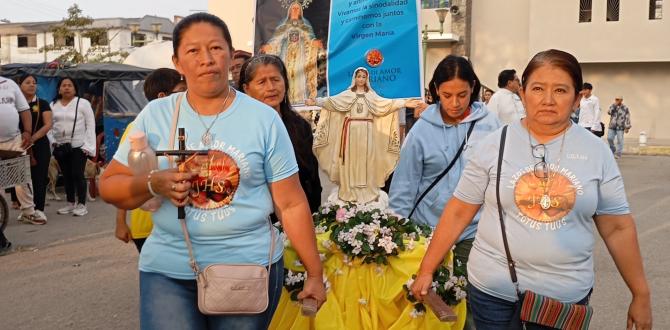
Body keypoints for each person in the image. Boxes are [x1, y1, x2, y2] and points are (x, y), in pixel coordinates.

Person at [99, 13, 326, 329]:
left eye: (216, 48)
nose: (206, 59)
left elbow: (290, 203)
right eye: (193, 51)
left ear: (231, 56)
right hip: (168, 269)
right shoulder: (156, 115)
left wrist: (314, 273)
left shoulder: (263, 119)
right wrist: (153, 182)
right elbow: (109, 186)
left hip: (247, 267)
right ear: (178, 62)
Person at [410, 49, 652, 330]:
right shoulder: (493, 144)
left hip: (563, 300)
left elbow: (617, 227)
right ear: (523, 94)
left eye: (560, 90)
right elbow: (459, 211)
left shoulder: (597, 152)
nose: (548, 100)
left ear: (576, 99)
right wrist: (427, 269)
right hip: (493, 293)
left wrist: (640, 293)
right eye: (538, 88)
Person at [389, 55, 500, 329]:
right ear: (436, 90)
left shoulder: (492, 126)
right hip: (428, 232)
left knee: (471, 304)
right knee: (430, 306)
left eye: (462, 94)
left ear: (473, 87)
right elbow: (404, 187)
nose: (454, 103)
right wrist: (397, 233)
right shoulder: (421, 132)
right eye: (447, 95)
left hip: (474, 232)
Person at [306, 67, 421, 203]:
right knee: (350, 158)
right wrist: (317, 102)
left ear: (367, 79)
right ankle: (349, 190)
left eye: (363, 77)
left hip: (367, 131)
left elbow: (386, 105)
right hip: (351, 131)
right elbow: (332, 102)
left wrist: (404, 103)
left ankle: (368, 190)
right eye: (359, 76)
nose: (361, 79)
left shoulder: (371, 96)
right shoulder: (347, 95)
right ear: (354, 78)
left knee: (368, 158)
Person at [239, 54, 322, 214]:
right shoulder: (240, 130)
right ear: (246, 89)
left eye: (275, 79)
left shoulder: (300, 126)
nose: (271, 87)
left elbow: (312, 180)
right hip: (260, 222)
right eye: (262, 82)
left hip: (300, 216)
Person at [115, 68, 187, 252]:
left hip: (181, 223)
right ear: (162, 96)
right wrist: (120, 221)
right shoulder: (139, 129)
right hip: (147, 225)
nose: (187, 97)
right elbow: (123, 175)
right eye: (181, 91)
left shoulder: (185, 125)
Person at [0, 74, 45, 225]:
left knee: (22, 178)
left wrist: (27, 131)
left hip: (13, 140)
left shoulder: (10, 84)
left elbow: (24, 110)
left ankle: (28, 212)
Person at [260, 0, 324, 104]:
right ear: (289, 11)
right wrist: (269, 46)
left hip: (300, 55)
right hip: (287, 56)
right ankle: (287, 100)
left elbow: (310, 38)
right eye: (293, 8)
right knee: (287, 75)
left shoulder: (305, 24)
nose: (295, 10)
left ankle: (299, 100)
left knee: (300, 77)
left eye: (297, 8)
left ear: (300, 11)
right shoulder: (283, 25)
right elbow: (276, 39)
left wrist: (314, 42)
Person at [51, 77, 96, 217]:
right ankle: (70, 203)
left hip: (79, 145)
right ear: (59, 88)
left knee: (77, 174)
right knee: (67, 175)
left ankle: (82, 204)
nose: (66, 88)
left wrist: (88, 146)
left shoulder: (83, 103)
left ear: (75, 88)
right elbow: (49, 125)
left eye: (70, 85)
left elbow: (90, 125)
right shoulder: (53, 105)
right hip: (60, 145)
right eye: (63, 85)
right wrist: (52, 141)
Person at [17, 74, 53, 223]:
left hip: (39, 145)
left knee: (39, 177)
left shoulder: (42, 103)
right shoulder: (15, 105)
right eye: (28, 82)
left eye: (34, 83)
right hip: (18, 145)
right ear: (19, 86)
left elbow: (48, 124)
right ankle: (26, 209)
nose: (32, 85)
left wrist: (32, 138)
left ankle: (39, 209)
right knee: (21, 179)